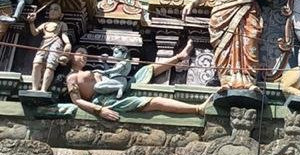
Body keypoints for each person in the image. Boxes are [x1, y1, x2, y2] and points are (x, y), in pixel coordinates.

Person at [66, 41, 213, 120]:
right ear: (71, 55)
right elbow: (77, 101)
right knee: (154, 102)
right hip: (108, 101)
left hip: (121, 88)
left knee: (146, 69)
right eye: (80, 53)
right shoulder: (71, 78)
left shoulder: (93, 70)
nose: (84, 56)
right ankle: (198, 109)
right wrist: (100, 110)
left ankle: (180, 57)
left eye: (85, 54)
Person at [26, 3, 71, 92]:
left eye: (56, 9)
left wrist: (68, 43)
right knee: (36, 63)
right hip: (44, 43)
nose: (53, 11)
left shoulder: (62, 24)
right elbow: (34, 32)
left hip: (56, 43)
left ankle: (43, 89)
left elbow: (64, 35)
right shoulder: (45, 24)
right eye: (51, 9)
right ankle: (34, 88)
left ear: (61, 14)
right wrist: (31, 22)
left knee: (50, 66)